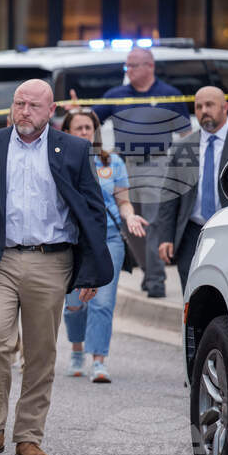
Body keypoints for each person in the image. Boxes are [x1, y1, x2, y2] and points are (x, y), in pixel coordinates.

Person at [0, 79, 112, 455]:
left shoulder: (74, 149)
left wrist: (90, 273)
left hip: (51, 261)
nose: (24, 112)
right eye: (19, 104)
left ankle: (29, 437)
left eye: (33, 106)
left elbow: (93, 214)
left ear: (51, 112)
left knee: (40, 352)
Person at [72, 47, 190, 298]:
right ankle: (148, 270)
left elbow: (185, 134)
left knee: (154, 222)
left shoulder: (169, 94)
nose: (128, 70)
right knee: (131, 224)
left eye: (133, 65)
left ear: (150, 66)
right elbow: (91, 119)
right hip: (124, 164)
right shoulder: (117, 94)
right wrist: (76, 110)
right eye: (127, 66)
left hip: (157, 164)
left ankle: (156, 281)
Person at [60, 108, 149, 384]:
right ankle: (77, 349)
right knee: (74, 304)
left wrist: (130, 215)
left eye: (89, 127)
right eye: (79, 128)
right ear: (67, 133)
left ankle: (99, 360)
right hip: (72, 242)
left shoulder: (114, 163)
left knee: (102, 302)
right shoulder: (59, 161)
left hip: (108, 240)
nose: (85, 132)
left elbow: (123, 202)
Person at [155, 86, 228, 292]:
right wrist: (165, 237)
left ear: (224, 107)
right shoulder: (183, 147)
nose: (203, 110)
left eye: (209, 105)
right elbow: (169, 193)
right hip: (193, 233)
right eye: (198, 107)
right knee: (192, 294)